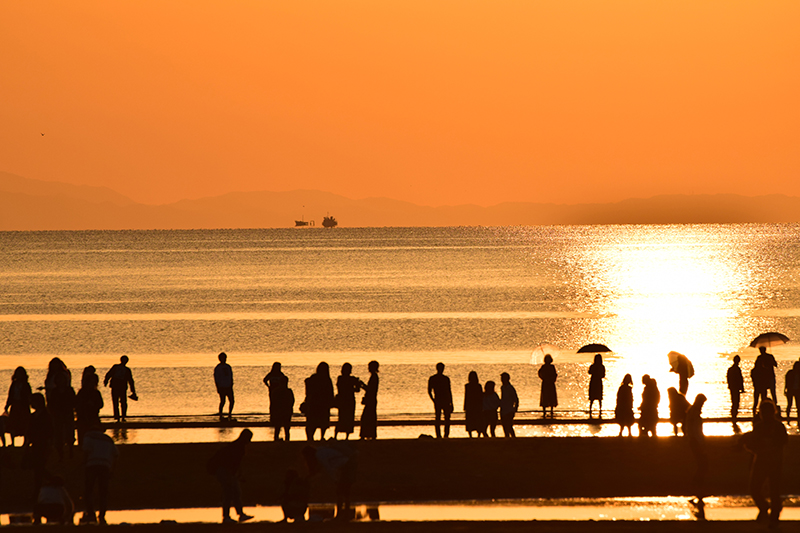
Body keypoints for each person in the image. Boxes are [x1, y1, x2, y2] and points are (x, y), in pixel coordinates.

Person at [742, 400, 788, 526]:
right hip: (761, 460)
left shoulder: (778, 427)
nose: (763, 414)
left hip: (773, 461)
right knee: (754, 488)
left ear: (771, 412)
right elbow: (753, 443)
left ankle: (774, 517)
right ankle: (764, 507)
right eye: (761, 412)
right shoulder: (759, 427)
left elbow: (782, 443)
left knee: (774, 490)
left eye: (764, 412)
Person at [206, 429, 254, 524]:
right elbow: (233, 463)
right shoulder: (238, 447)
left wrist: (237, 474)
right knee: (229, 494)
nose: (250, 441)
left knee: (235, 493)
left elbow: (236, 464)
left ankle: (240, 514)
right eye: (249, 438)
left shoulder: (236, 446)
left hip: (226, 472)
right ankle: (227, 517)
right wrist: (234, 475)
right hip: (224, 472)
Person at [302, 442, 358, 521]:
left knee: (341, 492)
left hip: (347, 467)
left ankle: (341, 515)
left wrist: (335, 480)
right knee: (345, 493)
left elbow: (328, 468)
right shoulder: (320, 450)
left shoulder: (319, 455)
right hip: (347, 466)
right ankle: (344, 514)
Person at [80, 428, 119, 525]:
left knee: (88, 489)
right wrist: (112, 470)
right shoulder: (108, 439)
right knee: (103, 491)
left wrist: (83, 463)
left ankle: (90, 513)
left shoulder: (88, 436)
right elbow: (116, 454)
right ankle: (102, 514)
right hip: (105, 465)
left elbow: (86, 451)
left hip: (92, 464)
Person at [44, 357, 75, 461]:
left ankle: (69, 449)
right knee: (57, 429)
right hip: (55, 406)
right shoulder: (51, 378)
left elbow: (71, 400)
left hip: (64, 410)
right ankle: (60, 450)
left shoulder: (67, 388)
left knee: (67, 430)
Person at [25, 393, 54, 501]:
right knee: (38, 468)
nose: (31, 404)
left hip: (43, 444)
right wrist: (28, 444)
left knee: (39, 468)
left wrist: (49, 445)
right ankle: (50, 482)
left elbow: (50, 432)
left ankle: (38, 491)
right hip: (36, 444)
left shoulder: (46, 416)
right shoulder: (33, 416)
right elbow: (29, 431)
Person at [684, 394, 708, 501]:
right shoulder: (694, 412)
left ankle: (697, 487)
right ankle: (696, 486)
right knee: (702, 464)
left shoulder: (692, 411)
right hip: (695, 441)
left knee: (702, 464)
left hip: (696, 441)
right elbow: (693, 429)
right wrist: (698, 441)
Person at [303, 362, 335, 441]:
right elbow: (330, 392)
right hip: (323, 403)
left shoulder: (314, 377)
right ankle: (321, 437)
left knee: (312, 422)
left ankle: (310, 437)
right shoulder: (327, 379)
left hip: (314, 403)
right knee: (322, 421)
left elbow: (308, 390)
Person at [75, 366, 103, 445]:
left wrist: (93, 405)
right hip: (84, 417)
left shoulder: (96, 393)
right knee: (84, 434)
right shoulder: (82, 393)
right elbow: (77, 403)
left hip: (93, 416)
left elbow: (100, 404)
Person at [4, 366, 32, 447]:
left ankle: (25, 442)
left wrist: (29, 404)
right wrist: (7, 405)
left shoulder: (26, 385)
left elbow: (28, 396)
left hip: (23, 406)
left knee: (25, 424)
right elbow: (10, 395)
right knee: (13, 424)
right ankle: (12, 443)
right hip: (15, 405)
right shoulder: (14, 384)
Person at [103, 356, 136, 423]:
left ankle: (118, 416)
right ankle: (122, 416)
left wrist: (106, 381)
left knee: (116, 402)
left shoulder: (116, 367)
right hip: (121, 387)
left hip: (116, 387)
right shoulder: (126, 370)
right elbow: (130, 381)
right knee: (122, 402)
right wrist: (133, 391)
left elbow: (109, 374)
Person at [334, 363, 362, 440]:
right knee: (349, 418)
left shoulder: (340, 378)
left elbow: (340, 388)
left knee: (342, 418)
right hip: (349, 400)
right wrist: (357, 384)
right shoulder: (351, 379)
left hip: (343, 400)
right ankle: (346, 437)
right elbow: (357, 390)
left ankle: (336, 436)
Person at [264, 362, 291, 440]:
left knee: (278, 404)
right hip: (273, 391)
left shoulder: (280, 374)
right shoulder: (271, 374)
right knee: (272, 404)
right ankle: (272, 417)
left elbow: (285, 381)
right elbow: (265, 380)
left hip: (279, 391)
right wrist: (268, 386)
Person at [427, 363, 453, 438]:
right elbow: (449, 391)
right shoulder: (444, 379)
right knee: (443, 418)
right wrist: (433, 400)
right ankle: (443, 435)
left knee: (441, 418)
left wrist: (433, 399)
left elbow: (449, 391)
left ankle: (443, 435)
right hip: (442, 400)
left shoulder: (434, 378)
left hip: (441, 400)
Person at [360, 361, 380, 440]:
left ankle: (366, 435)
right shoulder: (374, 376)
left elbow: (370, 390)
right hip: (372, 400)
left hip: (371, 400)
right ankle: (370, 435)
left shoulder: (374, 377)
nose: (368, 368)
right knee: (370, 417)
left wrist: (362, 385)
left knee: (366, 418)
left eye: (369, 366)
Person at [214, 352, 235, 420]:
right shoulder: (218, 368)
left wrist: (231, 384)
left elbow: (231, 376)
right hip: (222, 386)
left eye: (225, 358)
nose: (224, 359)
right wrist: (218, 387)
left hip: (228, 386)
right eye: (223, 358)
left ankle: (229, 414)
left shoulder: (228, 367)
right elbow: (216, 378)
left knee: (232, 401)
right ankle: (221, 414)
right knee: (223, 401)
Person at [463, 371, 483, 438]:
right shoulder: (478, 386)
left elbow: (466, 397)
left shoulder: (467, 386)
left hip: (470, 406)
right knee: (478, 420)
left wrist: (465, 406)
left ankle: (470, 435)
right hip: (477, 406)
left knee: (470, 420)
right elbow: (481, 397)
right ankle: (478, 435)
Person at [499, 372, 519, 438]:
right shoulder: (502, 387)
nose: (502, 380)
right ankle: (507, 437)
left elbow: (515, 398)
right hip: (503, 409)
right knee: (505, 426)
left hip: (509, 410)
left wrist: (515, 408)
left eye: (503, 378)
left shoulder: (510, 388)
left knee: (509, 426)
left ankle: (513, 438)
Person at [726, 355, 745, 421]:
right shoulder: (737, 369)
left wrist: (730, 385)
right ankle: (734, 415)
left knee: (734, 401)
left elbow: (728, 378)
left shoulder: (730, 369)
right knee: (736, 402)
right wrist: (742, 388)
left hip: (732, 387)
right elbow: (740, 379)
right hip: (735, 388)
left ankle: (733, 415)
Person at [588, 354, 605, 418]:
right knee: (595, 397)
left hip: (595, 381)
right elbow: (589, 372)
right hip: (596, 382)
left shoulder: (597, 366)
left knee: (597, 397)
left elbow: (603, 375)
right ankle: (597, 410)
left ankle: (595, 410)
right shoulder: (599, 366)